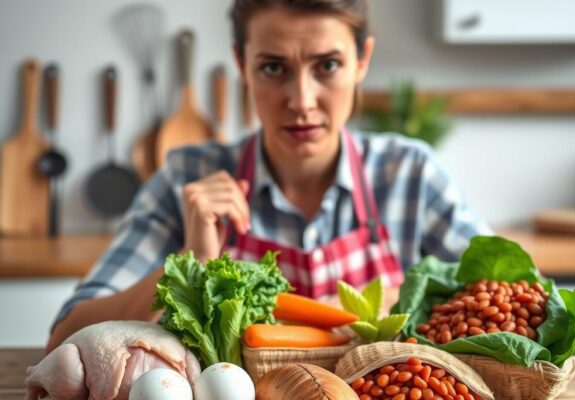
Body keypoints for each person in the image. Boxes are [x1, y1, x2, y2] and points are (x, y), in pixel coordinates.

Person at [47, 0, 491, 352]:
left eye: (328, 66)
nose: (301, 100)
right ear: (241, 65)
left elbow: (510, 297)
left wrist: (396, 296)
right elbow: (64, 336)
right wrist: (189, 262)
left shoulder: (410, 175)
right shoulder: (186, 177)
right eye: (274, 68)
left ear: (362, 60)